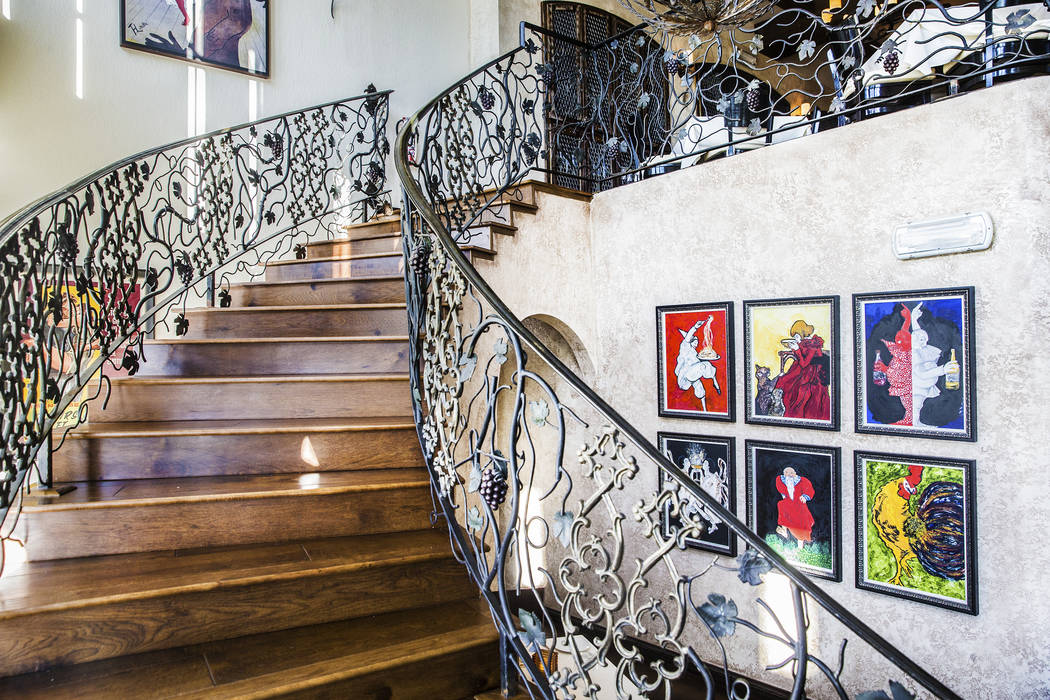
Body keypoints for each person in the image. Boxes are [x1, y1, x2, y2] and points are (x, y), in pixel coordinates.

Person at [774, 319, 830, 421]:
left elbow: (804, 363)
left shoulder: (813, 345)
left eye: (796, 335)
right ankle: (778, 401)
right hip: (803, 370)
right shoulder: (805, 343)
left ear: (802, 332)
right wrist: (797, 347)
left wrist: (796, 349)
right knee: (783, 380)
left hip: (811, 374)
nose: (795, 337)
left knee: (795, 389)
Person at [674, 316, 721, 411]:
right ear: (690, 342)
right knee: (705, 365)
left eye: (697, 342)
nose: (696, 344)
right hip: (684, 377)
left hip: (691, 375)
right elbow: (687, 339)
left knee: (701, 390)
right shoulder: (685, 348)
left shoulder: (695, 353)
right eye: (695, 342)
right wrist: (695, 327)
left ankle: (705, 410)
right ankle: (715, 382)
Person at [775, 466, 814, 548]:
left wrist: (805, 496)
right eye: (786, 473)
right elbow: (781, 488)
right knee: (781, 505)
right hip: (789, 505)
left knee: (803, 526)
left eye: (791, 472)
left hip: (800, 505)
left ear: (795, 473)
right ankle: (784, 531)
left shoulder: (802, 481)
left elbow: (809, 489)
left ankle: (800, 547)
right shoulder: (781, 480)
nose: (789, 474)